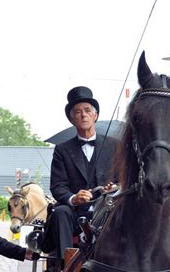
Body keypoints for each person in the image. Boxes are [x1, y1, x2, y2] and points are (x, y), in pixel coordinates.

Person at [42, 86, 117, 261]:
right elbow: (57, 186)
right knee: (60, 212)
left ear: (95, 115)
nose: (83, 115)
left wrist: (114, 188)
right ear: (71, 119)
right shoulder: (62, 149)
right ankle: (65, 269)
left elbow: (124, 179)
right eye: (77, 112)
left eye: (87, 110)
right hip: (74, 215)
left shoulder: (115, 145)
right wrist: (73, 198)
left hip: (107, 211)